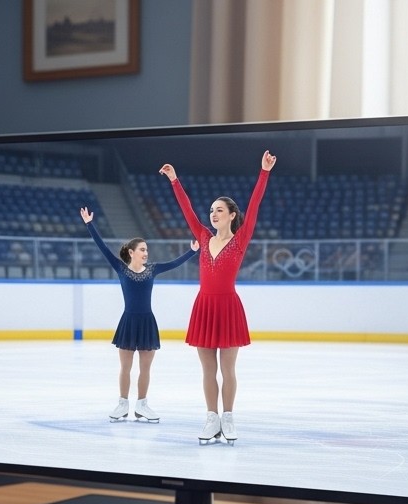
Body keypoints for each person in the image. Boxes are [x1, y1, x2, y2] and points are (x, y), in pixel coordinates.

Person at [158, 150, 276, 444]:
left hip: (228, 306)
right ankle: (212, 418)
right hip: (205, 306)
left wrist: (264, 172)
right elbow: (187, 211)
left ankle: (228, 418)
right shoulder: (202, 236)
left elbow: (255, 203)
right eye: (212, 210)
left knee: (228, 369)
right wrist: (174, 180)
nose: (213, 214)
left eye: (219, 210)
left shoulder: (241, 239)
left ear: (232, 215)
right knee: (208, 369)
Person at [79, 207, 198, 423]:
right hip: (128, 321)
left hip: (147, 322)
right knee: (125, 367)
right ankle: (123, 404)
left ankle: (142, 405)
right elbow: (102, 247)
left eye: (147, 250)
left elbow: (174, 264)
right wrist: (89, 224)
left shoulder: (152, 269)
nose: (146, 253)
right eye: (142, 249)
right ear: (131, 252)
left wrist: (192, 251)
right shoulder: (121, 268)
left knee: (145, 368)